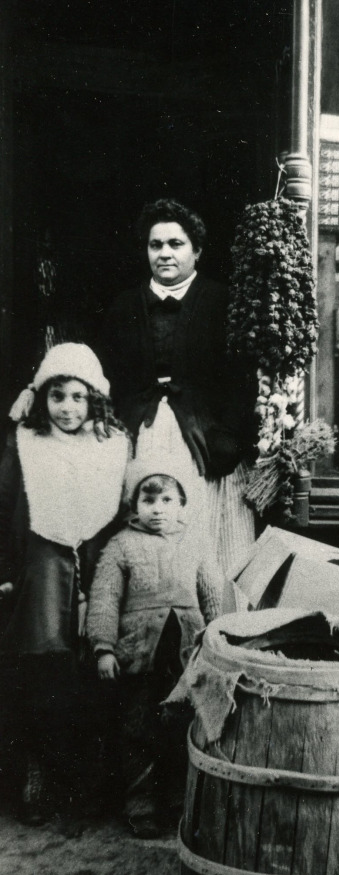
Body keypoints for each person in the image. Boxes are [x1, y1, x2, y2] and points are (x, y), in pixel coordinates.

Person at [0, 343, 129, 824]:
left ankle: (87, 786)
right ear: (42, 399)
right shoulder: (25, 443)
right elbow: (4, 504)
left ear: (95, 399)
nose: (68, 408)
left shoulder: (113, 444)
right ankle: (39, 779)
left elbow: (120, 513)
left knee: (93, 675)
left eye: (79, 397)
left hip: (96, 568)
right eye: (58, 397)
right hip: (41, 571)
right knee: (42, 673)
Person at [98, 197, 257, 574]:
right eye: (156, 245)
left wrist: (227, 438)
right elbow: (108, 378)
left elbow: (241, 381)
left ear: (197, 251)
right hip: (143, 439)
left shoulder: (224, 302)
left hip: (205, 444)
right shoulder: (124, 307)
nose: (165, 254)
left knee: (209, 545)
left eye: (176, 244)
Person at [86, 461, 227, 839]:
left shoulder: (195, 541)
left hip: (186, 654)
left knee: (184, 728)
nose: (158, 508)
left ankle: (180, 802)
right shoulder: (121, 545)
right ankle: (142, 807)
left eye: (167, 499)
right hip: (139, 656)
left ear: (182, 504)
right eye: (149, 500)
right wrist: (104, 648)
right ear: (135, 506)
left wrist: (219, 640)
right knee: (138, 728)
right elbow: (104, 598)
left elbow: (212, 593)